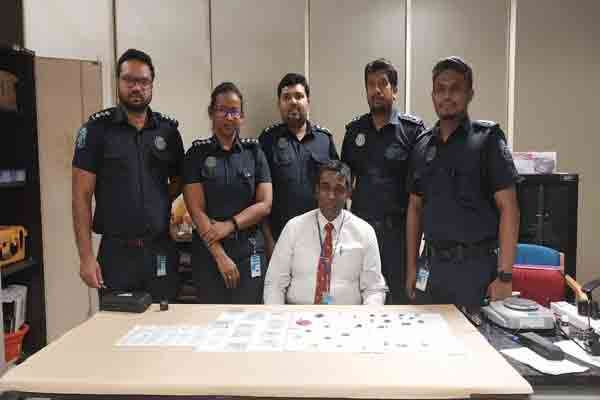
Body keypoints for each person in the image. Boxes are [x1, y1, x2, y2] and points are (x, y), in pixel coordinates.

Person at [405, 56, 520, 308]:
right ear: (433, 95)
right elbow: (415, 208)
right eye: (440, 89)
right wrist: (412, 267)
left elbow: (509, 207)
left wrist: (505, 276)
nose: (447, 96)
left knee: (472, 333)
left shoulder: (487, 140)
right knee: (426, 332)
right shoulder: (422, 146)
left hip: (474, 270)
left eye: (455, 88)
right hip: (430, 268)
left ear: (470, 94)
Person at [72, 48, 184, 301]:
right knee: (117, 323)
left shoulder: (167, 132)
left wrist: (159, 201)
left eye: (143, 81)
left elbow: (180, 179)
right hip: (117, 254)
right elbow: (81, 196)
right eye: (129, 80)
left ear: (152, 84)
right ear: (118, 82)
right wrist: (86, 257)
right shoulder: (96, 130)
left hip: (160, 250)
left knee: (165, 320)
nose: (136, 87)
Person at [341, 58, 426, 304]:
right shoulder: (354, 131)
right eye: (371, 84)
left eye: (383, 84)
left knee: (400, 303)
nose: (376, 90)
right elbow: (343, 185)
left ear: (394, 90)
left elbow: (421, 194)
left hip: (398, 237)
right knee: (360, 302)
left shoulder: (412, 131)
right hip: (361, 235)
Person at [183, 82, 272, 304]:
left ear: (242, 116)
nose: (229, 117)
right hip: (209, 252)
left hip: (249, 250)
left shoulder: (254, 152)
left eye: (234, 111)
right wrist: (220, 255)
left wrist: (229, 225)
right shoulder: (196, 154)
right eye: (222, 110)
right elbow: (196, 210)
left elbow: (265, 204)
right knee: (210, 318)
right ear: (211, 113)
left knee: (249, 317)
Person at [264, 160, 387, 305]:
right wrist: (278, 316)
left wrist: (366, 317)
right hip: (298, 314)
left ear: (348, 193)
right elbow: (275, 284)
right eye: (325, 187)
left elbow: (373, 289)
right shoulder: (293, 228)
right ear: (316, 190)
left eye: (339, 189)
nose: (331, 196)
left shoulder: (365, 232)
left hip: (346, 315)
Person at [259, 73, 338, 257]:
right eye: (286, 97)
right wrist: (268, 241)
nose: (293, 102)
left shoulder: (324, 140)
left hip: (319, 239)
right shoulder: (267, 140)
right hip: (281, 239)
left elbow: (337, 190)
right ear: (279, 104)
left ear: (308, 102)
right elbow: (259, 196)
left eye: (299, 96)